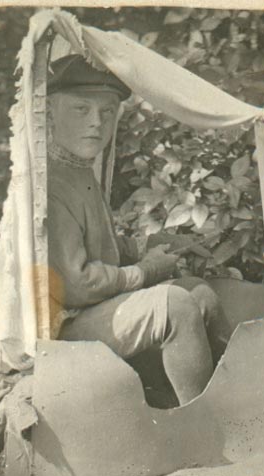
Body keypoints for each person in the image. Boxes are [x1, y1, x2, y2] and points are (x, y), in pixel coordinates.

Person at [45, 54, 229, 405]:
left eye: (107, 112)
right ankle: (204, 426)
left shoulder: (78, 167)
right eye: (81, 110)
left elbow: (99, 246)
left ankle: (211, 398)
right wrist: (144, 272)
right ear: (51, 112)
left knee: (198, 294)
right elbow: (78, 286)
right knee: (175, 305)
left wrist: (148, 245)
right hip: (65, 328)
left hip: (91, 310)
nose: (96, 123)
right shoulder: (52, 183)